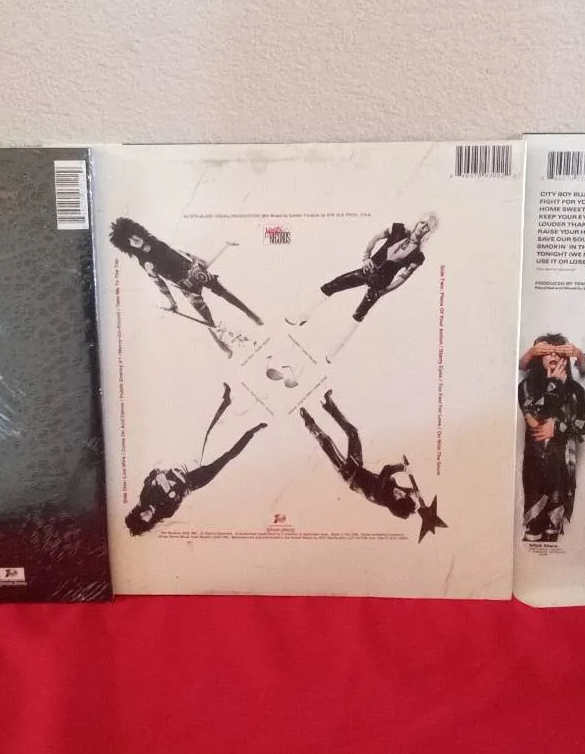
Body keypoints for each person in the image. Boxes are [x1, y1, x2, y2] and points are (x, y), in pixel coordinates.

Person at [287, 214, 439, 360]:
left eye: (427, 227)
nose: (423, 227)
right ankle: (303, 316)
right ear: (418, 221)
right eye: (422, 222)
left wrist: (384, 291)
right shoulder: (398, 228)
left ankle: (333, 353)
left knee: (358, 315)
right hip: (367, 271)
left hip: (380, 285)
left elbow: (403, 277)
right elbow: (376, 237)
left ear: (429, 232)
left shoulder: (419, 255)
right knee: (333, 285)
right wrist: (366, 257)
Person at [300, 390, 446, 541]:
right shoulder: (395, 495)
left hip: (348, 474)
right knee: (353, 433)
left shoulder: (381, 494)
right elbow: (402, 492)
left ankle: (308, 421)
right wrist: (413, 493)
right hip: (357, 466)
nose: (400, 492)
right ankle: (329, 405)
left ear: (394, 501)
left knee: (327, 442)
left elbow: (387, 470)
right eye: (402, 494)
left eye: (400, 496)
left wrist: (403, 468)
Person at [108, 218, 263, 357]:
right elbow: (159, 283)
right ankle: (222, 345)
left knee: (224, 292)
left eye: (133, 234)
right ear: (126, 245)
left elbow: (178, 252)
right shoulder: (144, 262)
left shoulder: (156, 242)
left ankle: (251, 314)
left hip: (195, 271)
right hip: (185, 285)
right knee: (206, 318)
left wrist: (196, 258)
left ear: (138, 230)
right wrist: (172, 302)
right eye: (129, 240)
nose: (134, 239)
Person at [125, 384, 267, 535]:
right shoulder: (165, 513)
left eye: (139, 515)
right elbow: (175, 494)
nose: (144, 515)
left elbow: (154, 473)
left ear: (137, 512)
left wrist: (161, 480)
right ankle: (251, 432)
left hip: (183, 466)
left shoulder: (146, 496)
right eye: (144, 520)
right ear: (149, 524)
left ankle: (226, 402)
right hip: (195, 480)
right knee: (227, 457)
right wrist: (162, 482)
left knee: (204, 429)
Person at [518, 333, 585, 541]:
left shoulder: (576, 391)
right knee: (533, 531)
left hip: (562, 469)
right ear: (538, 358)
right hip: (536, 468)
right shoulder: (527, 386)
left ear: (565, 359)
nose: (553, 355)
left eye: (558, 352)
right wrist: (555, 385)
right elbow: (534, 421)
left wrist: (559, 427)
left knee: (553, 532)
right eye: (547, 352)